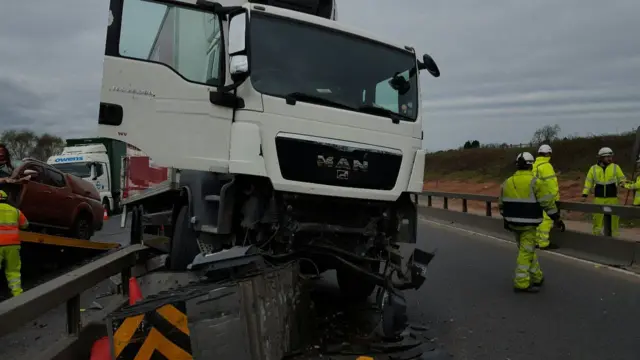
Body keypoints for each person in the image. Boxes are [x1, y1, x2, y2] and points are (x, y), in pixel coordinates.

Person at [499, 152, 565, 293]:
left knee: (527, 250)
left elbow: (501, 205)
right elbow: (547, 203)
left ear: (517, 165)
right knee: (526, 252)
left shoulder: (507, 182)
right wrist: (556, 218)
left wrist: (505, 219)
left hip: (513, 224)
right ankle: (521, 283)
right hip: (529, 225)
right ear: (531, 165)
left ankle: (537, 277)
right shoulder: (536, 182)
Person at [581, 147, 627, 236]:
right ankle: (596, 237)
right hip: (599, 199)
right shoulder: (593, 169)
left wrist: (623, 183)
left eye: (611, 156)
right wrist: (584, 194)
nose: (610, 158)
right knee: (597, 219)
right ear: (601, 158)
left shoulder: (615, 167)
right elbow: (588, 182)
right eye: (607, 157)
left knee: (614, 219)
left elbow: (622, 178)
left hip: (612, 198)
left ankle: (614, 238)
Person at [0, 190, 28, 297]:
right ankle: (17, 294)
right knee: (13, 271)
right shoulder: (15, 211)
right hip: (13, 245)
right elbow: (25, 224)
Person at [533, 144, 559, 250]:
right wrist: (555, 198)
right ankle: (544, 243)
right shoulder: (546, 166)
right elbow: (551, 183)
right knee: (546, 220)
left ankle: (537, 241)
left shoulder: (534, 165)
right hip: (547, 197)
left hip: (535, 197)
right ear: (548, 154)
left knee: (537, 220)